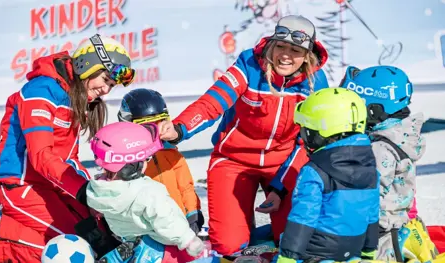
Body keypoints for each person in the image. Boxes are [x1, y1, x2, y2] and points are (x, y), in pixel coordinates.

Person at [159, 14, 329, 255]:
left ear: (307, 54)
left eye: (295, 50)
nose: (286, 55)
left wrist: (279, 188)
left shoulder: (315, 82)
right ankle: (243, 234)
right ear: (271, 44)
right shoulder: (249, 64)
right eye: (280, 46)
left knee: (295, 239)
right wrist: (179, 129)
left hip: (283, 164)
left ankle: (266, 241)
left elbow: (308, 142)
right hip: (233, 160)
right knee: (229, 246)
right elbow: (212, 102)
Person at [0, 34, 135, 262]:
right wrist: (83, 191)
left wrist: (93, 191)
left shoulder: (75, 98)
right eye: (105, 80)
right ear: (87, 66)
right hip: (20, 183)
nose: (106, 90)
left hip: (50, 183)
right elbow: (41, 156)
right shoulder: (41, 91)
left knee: (101, 232)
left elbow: (70, 159)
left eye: (112, 85)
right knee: (77, 240)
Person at [340, 65, 439, 262]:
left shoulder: (380, 149)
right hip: (395, 224)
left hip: (377, 236)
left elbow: (369, 197)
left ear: (374, 110)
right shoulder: (399, 137)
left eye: (356, 104)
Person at [276, 87, 379, 263]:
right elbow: (372, 212)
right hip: (354, 249)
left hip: (316, 252)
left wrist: (288, 257)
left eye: (305, 130)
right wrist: (369, 251)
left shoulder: (314, 171)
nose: (302, 136)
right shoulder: (371, 168)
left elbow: (303, 217)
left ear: (318, 131)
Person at [84, 122, 204, 262]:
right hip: (163, 250)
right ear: (132, 167)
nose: (148, 162)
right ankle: (148, 250)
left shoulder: (98, 191)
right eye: (146, 159)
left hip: (129, 242)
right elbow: (167, 220)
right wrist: (188, 240)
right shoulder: (148, 192)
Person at [118, 88, 204, 233]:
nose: (156, 131)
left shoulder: (171, 153)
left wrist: (192, 213)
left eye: (160, 123)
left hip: (179, 223)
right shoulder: (125, 161)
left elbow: (186, 187)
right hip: (146, 228)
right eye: (147, 126)